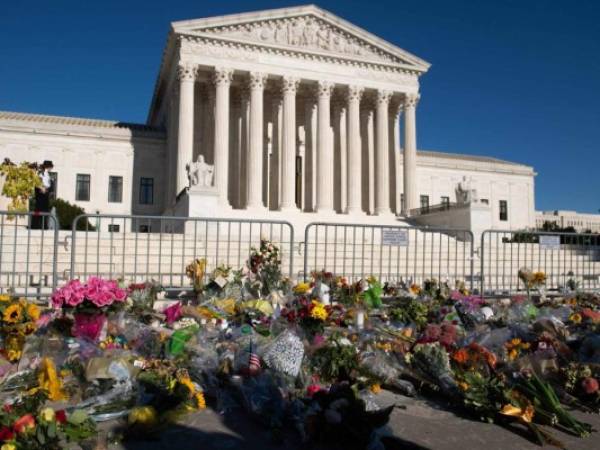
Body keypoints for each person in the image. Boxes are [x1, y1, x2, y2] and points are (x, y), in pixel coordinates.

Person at [32, 160, 53, 229]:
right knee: (39, 209)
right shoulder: (41, 173)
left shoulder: (47, 174)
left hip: (45, 193)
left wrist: (47, 190)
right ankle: (36, 226)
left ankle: (44, 226)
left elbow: (48, 183)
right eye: (51, 167)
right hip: (41, 193)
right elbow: (37, 182)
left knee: (45, 209)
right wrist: (42, 188)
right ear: (48, 167)